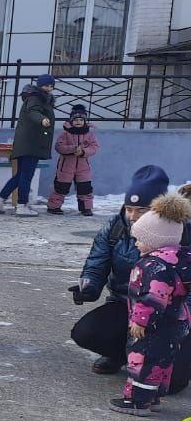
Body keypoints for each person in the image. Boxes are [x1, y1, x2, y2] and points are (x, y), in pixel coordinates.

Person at [69, 166, 191, 395]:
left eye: (141, 210)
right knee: (86, 331)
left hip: (171, 316)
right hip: (127, 305)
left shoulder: (183, 234)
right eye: (129, 208)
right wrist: (89, 286)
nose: (133, 216)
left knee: (174, 384)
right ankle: (122, 355)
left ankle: (153, 360)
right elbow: (97, 261)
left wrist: (179, 321)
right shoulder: (116, 226)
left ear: (158, 209)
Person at [110, 192, 191, 416]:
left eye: (140, 239)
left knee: (142, 361)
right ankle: (153, 397)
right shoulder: (181, 260)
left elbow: (151, 298)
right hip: (176, 322)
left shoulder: (153, 266)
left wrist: (140, 321)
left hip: (154, 326)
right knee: (162, 362)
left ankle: (137, 401)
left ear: (155, 241)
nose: (136, 244)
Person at [0, 74, 55, 217]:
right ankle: (22, 205)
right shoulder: (34, 98)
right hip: (31, 143)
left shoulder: (38, 98)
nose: (49, 88)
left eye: (51, 86)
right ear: (39, 85)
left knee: (20, 175)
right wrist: (42, 119)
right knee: (26, 176)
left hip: (28, 143)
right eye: (46, 85)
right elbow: (33, 112)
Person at [46, 104, 99, 216]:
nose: (78, 122)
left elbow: (94, 147)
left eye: (81, 120)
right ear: (71, 121)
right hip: (66, 166)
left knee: (85, 187)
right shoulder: (65, 133)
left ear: (85, 121)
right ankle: (54, 206)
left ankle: (86, 208)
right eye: (75, 120)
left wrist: (84, 151)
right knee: (61, 187)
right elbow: (59, 147)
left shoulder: (89, 134)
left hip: (83, 166)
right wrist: (72, 149)